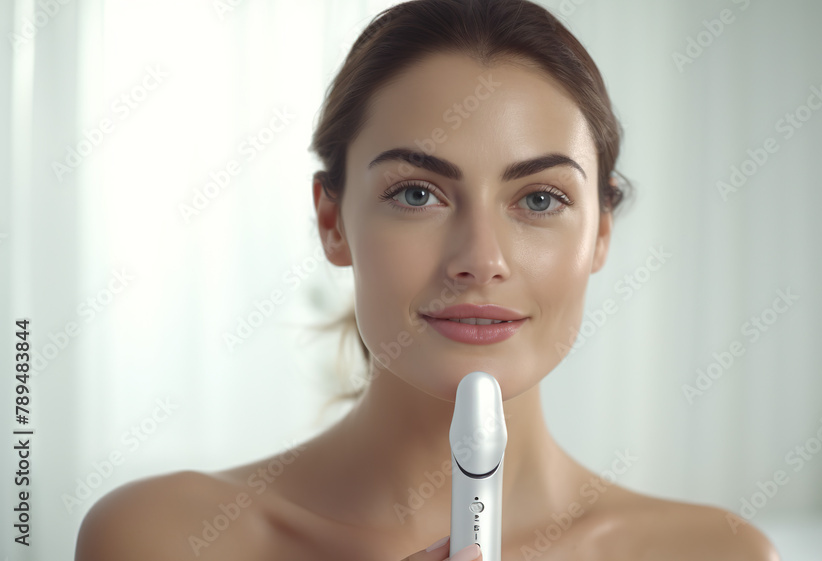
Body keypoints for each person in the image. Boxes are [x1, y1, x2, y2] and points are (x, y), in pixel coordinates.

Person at [76, 0, 780, 559]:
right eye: (418, 194)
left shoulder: (719, 553)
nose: (481, 258)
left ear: (600, 232)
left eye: (539, 199)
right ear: (332, 221)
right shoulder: (159, 539)